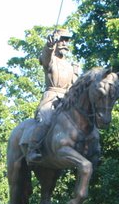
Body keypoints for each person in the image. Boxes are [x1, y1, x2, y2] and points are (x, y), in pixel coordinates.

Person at [23, 28, 80, 163]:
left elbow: (74, 87)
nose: (65, 43)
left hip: (66, 100)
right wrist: (49, 45)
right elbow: (46, 55)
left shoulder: (71, 65)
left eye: (66, 40)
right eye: (62, 40)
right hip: (51, 97)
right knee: (46, 120)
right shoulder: (50, 60)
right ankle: (33, 149)